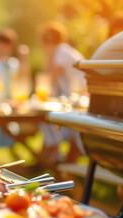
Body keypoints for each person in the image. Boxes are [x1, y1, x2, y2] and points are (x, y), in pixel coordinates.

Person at [38, 21, 86, 163]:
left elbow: (49, 79)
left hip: (80, 98)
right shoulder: (64, 51)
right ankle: (50, 150)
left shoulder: (61, 51)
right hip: (74, 98)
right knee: (47, 113)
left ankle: (53, 150)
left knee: (46, 115)